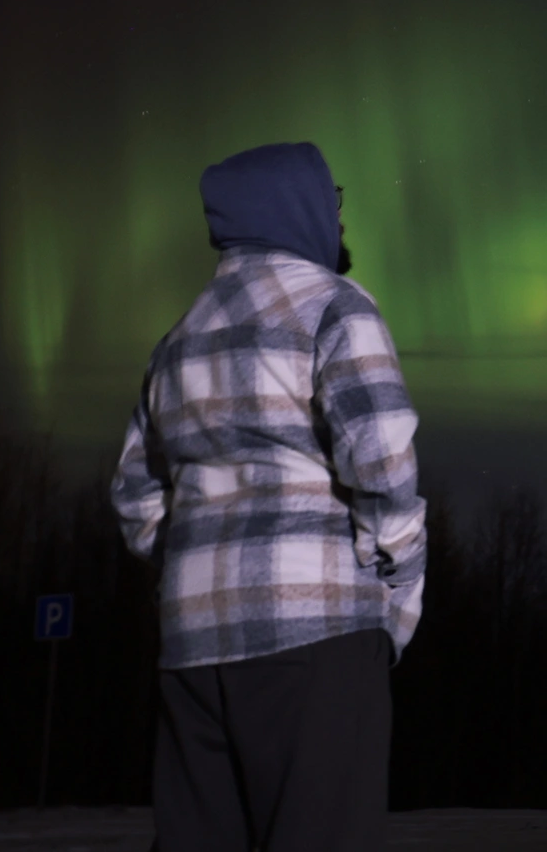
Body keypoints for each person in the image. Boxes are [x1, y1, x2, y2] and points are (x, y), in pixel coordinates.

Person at [111, 142, 426, 852]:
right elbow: (382, 459)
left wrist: (194, 567)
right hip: (316, 635)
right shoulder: (335, 310)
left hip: (193, 649)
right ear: (294, 206)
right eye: (332, 198)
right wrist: (397, 590)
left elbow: (135, 493)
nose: (339, 216)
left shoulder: (176, 341)